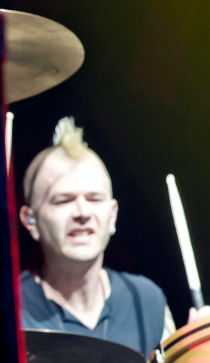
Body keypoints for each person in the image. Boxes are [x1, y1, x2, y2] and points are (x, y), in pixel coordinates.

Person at [17, 117, 171, 355]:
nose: (82, 213)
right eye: (63, 200)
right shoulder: (13, 307)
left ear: (112, 216)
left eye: (94, 199)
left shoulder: (147, 300)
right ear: (31, 220)